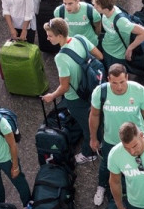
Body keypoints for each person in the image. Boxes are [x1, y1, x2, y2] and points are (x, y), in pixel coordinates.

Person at [89, 63, 144, 206]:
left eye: (122, 82)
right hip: (111, 139)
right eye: (114, 83)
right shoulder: (100, 92)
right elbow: (94, 115)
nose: (119, 87)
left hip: (135, 139)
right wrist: (93, 138)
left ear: (127, 77)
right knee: (107, 164)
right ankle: (101, 186)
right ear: (108, 79)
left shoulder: (139, 91)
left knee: (139, 164)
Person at [41, 18, 104, 163]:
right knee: (94, 115)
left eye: (50, 35)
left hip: (76, 97)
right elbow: (99, 56)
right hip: (92, 88)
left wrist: (52, 96)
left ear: (60, 35)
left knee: (87, 124)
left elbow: (65, 87)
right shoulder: (80, 39)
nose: (47, 38)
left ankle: (90, 153)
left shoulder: (61, 57)